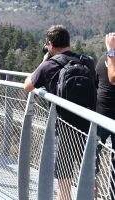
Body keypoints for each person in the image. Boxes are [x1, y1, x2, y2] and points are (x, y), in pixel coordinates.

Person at [23, 25, 97, 200]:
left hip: (63, 128)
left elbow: (27, 86)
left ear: (50, 45)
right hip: (89, 127)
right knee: (90, 176)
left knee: (64, 182)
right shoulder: (88, 61)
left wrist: (42, 62)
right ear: (69, 42)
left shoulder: (48, 65)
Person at [96, 32, 115, 199]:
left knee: (92, 157)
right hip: (102, 116)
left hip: (101, 117)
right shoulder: (103, 60)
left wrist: (110, 51)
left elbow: (112, 77)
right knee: (92, 159)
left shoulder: (106, 57)